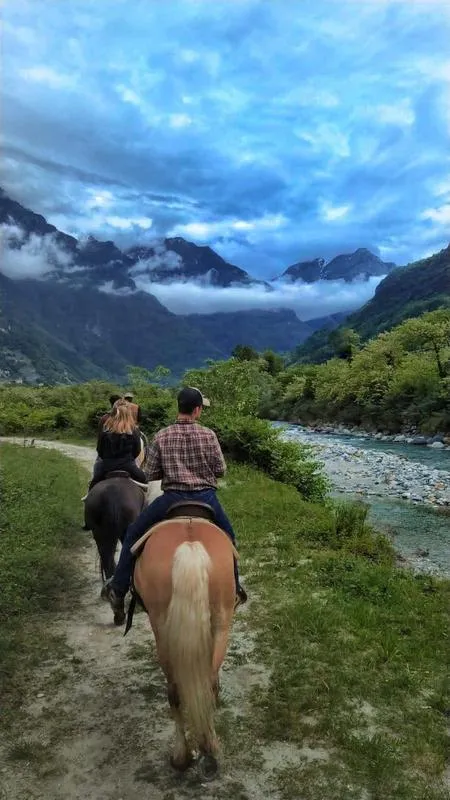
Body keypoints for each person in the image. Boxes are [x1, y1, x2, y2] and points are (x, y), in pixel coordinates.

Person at [101, 386, 247, 619]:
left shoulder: (162, 435)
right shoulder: (209, 435)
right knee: (230, 539)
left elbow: (149, 474)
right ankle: (236, 589)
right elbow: (220, 470)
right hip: (206, 499)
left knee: (132, 536)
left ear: (179, 407)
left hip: (171, 500)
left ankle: (118, 589)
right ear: (197, 410)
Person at [88, 399, 148, 491]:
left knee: (93, 484)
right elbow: (137, 450)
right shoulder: (134, 430)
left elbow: (99, 450)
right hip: (129, 466)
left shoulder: (106, 430)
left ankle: (87, 497)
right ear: (129, 414)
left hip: (106, 465)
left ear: (113, 413)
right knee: (146, 482)